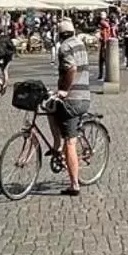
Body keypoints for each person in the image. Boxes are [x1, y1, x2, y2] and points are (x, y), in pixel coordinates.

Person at [49, 16, 92, 196]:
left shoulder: (65, 47)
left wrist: (64, 90)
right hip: (85, 95)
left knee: (70, 142)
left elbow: (71, 68)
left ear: (59, 35)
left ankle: (74, 184)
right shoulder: (80, 43)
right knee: (50, 106)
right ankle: (57, 144)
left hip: (73, 99)